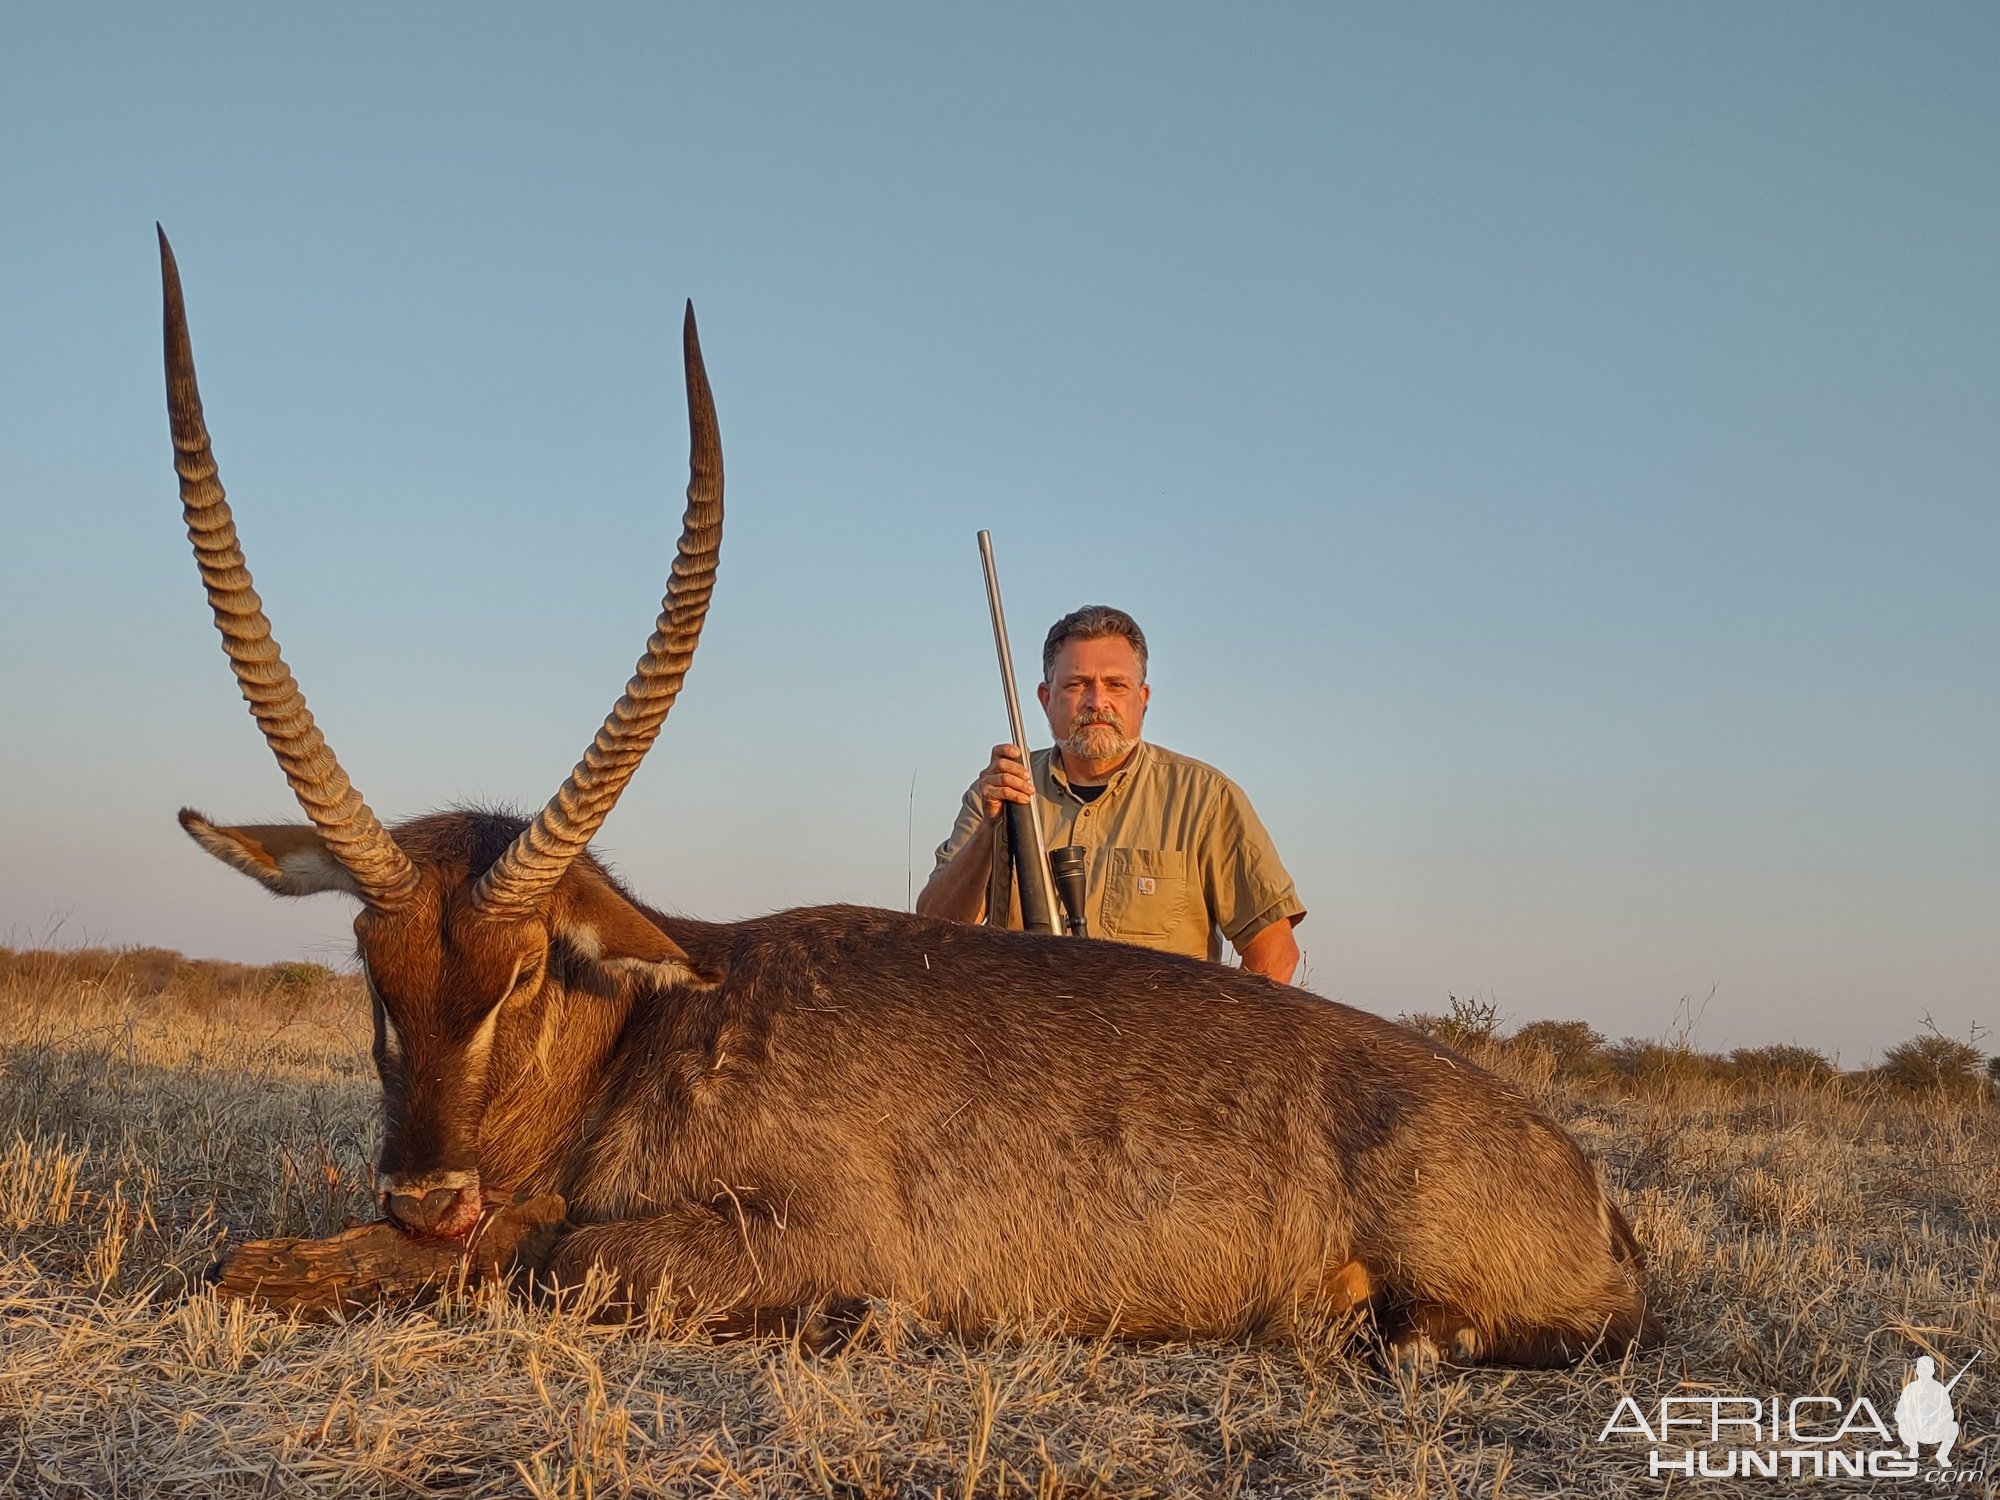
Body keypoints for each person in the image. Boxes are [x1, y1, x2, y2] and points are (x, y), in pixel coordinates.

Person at [918, 605, 1305, 982]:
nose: (1097, 702)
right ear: (1045, 699)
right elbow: (933, 929)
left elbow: (1275, 954)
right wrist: (990, 830)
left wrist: (1215, 1046)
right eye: (1077, 684)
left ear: (1143, 697)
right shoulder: (999, 791)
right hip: (1021, 1041)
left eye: (1116, 685)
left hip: (1152, 1045)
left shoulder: (1207, 799)